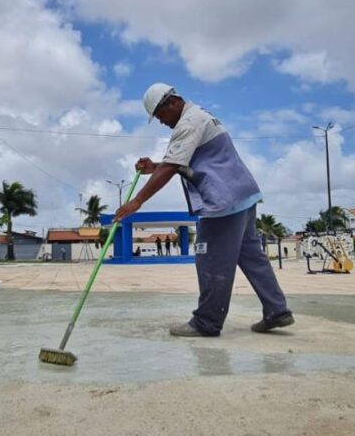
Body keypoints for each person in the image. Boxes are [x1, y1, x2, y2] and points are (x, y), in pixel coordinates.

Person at [114, 83, 294, 337]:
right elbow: (182, 163)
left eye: (160, 115)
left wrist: (137, 201)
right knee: (253, 257)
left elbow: (172, 166)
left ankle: (207, 322)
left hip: (223, 202)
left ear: (173, 102)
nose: (162, 122)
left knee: (210, 258)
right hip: (243, 195)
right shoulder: (200, 115)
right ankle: (277, 310)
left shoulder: (188, 123)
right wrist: (155, 166)